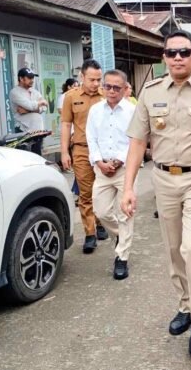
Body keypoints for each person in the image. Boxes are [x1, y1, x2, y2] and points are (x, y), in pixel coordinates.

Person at [121, 30, 191, 359]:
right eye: (171, 53)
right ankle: (185, 305)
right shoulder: (150, 92)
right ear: (164, 58)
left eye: (184, 52)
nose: (177, 58)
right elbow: (138, 142)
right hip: (163, 180)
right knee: (174, 250)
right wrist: (128, 187)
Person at [86, 69, 136, 280]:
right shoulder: (95, 110)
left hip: (124, 168)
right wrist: (98, 161)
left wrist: (119, 160)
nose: (112, 91)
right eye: (108, 86)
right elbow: (91, 138)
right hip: (102, 168)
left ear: (125, 89)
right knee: (101, 210)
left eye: (117, 87)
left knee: (125, 212)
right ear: (103, 87)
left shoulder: (133, 110)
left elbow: (136, 140)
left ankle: (122, 258)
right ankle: (121, 236)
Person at [61, 60, 109, 254]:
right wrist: (64, 152)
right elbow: (65, 124)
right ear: (82, 77)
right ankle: (90, 233)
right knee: (85, 192)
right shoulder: (70, 97)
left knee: (102, 190)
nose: (96, 83)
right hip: (81, 149)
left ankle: (100, 221)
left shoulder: (106, 96)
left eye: (99, 79)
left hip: (104, 150)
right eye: (92, 79)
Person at [9, 67, 48, 156]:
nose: (32, 80)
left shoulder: (34, 92)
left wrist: (28, 110)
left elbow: (45, 107)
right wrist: (38, 104)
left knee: (37, 155)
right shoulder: (15, 92)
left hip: (38, 130)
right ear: (21, 79)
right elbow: (30, 105)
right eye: (29, 78)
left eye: (33, 78)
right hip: (23, 128)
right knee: (25, 156)